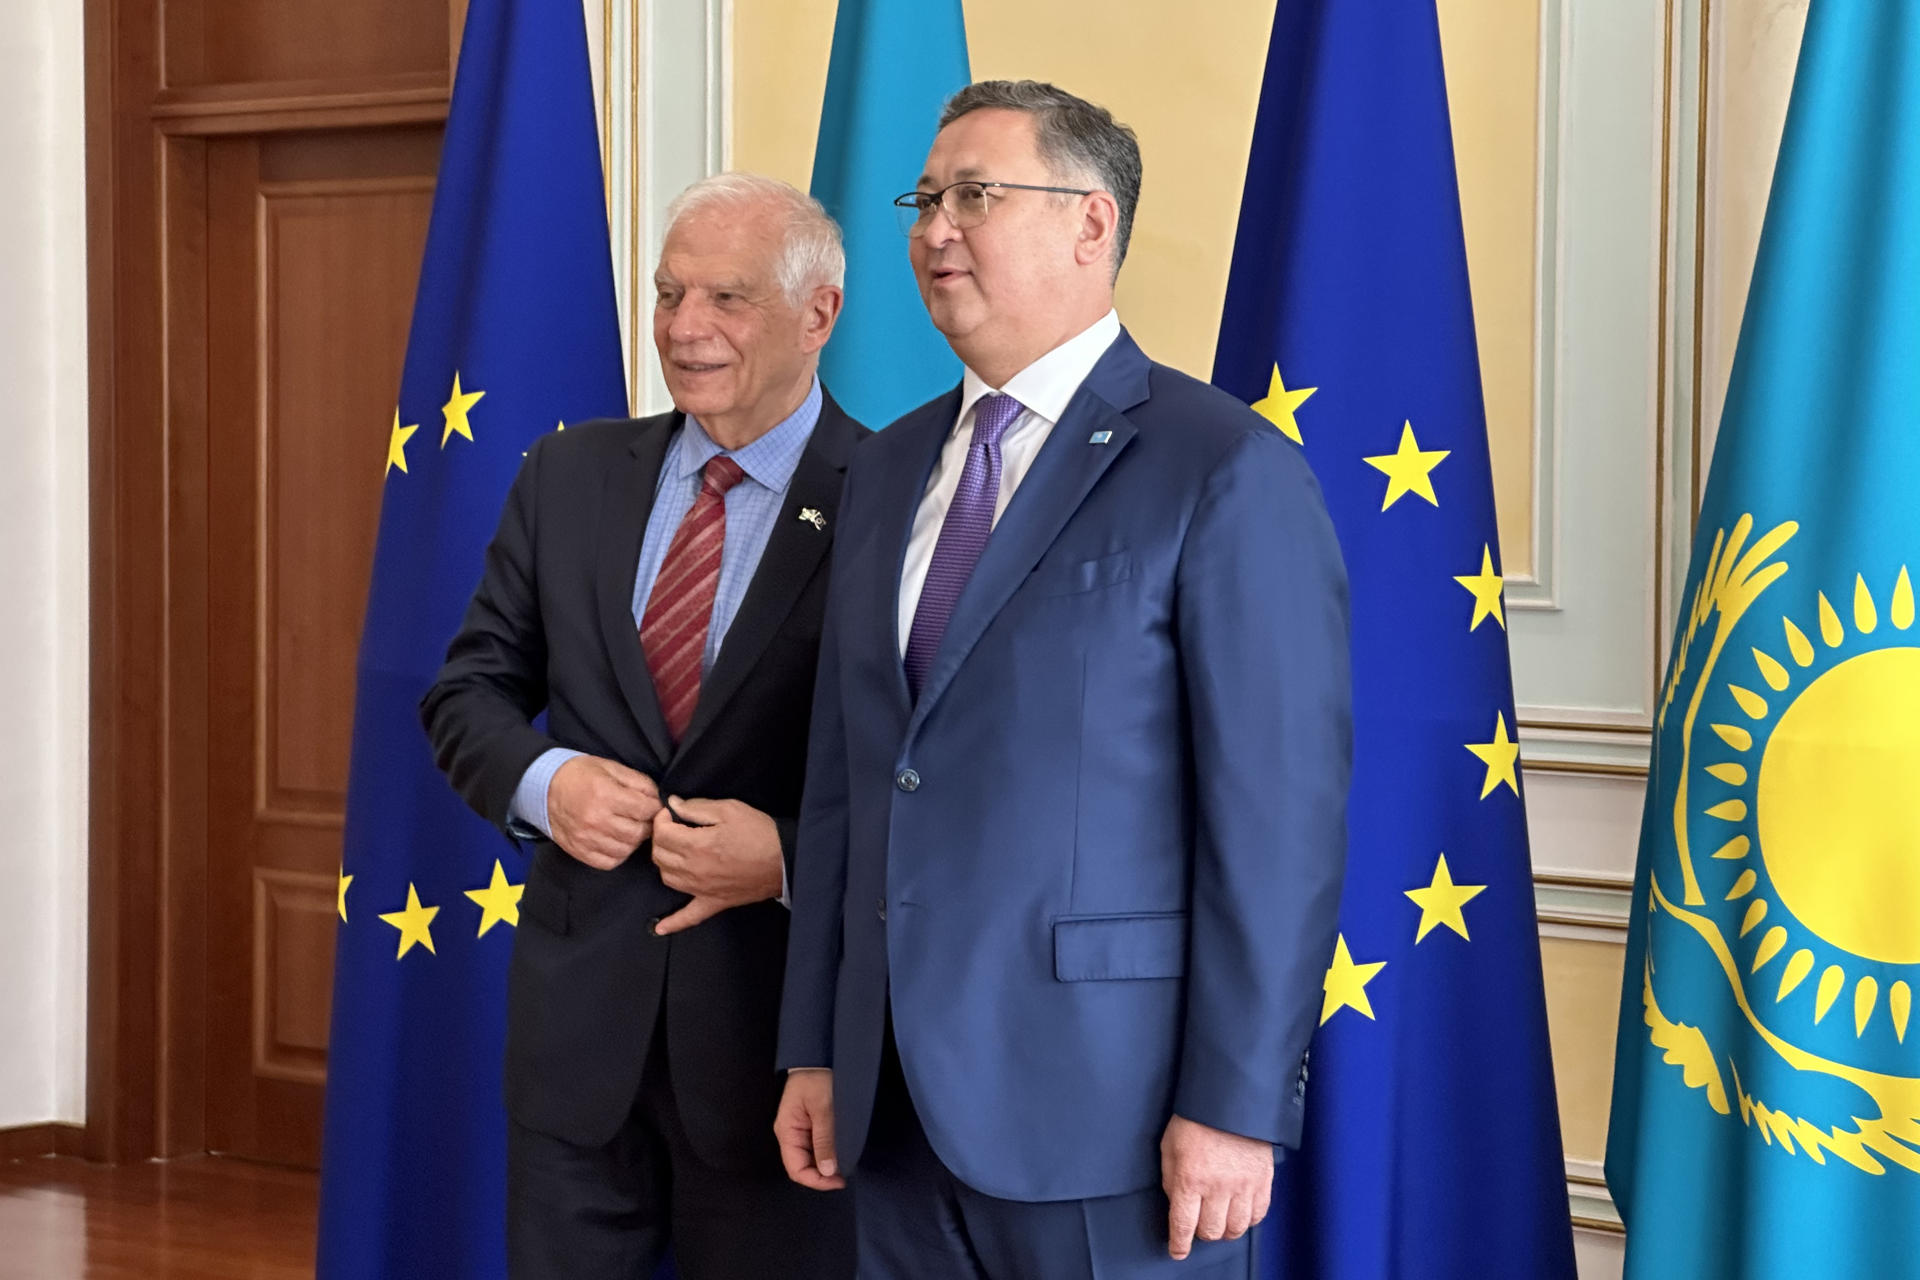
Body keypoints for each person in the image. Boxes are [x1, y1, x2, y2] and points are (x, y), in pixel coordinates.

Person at [774, 81, 1352, 1278]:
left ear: (1092, 226)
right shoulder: (882, 472)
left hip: (1114, 1118)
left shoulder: (1223, 468)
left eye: (974, 196)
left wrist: (1237, 1102)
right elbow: (846, 785)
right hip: (888, 1112)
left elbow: (1276, 822)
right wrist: (818, 1045)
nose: (935, 230)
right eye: (924, 201)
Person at [422, 172, 863, 1280]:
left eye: (727, 297)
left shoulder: (897, 495)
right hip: (579, 1056)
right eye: (670, 293)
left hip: (782, 1061)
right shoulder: (566, 475)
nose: (684, 327)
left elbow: (937, 766)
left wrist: (793, 858)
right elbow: (466, 690)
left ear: (820, 316)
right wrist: (547, 779)